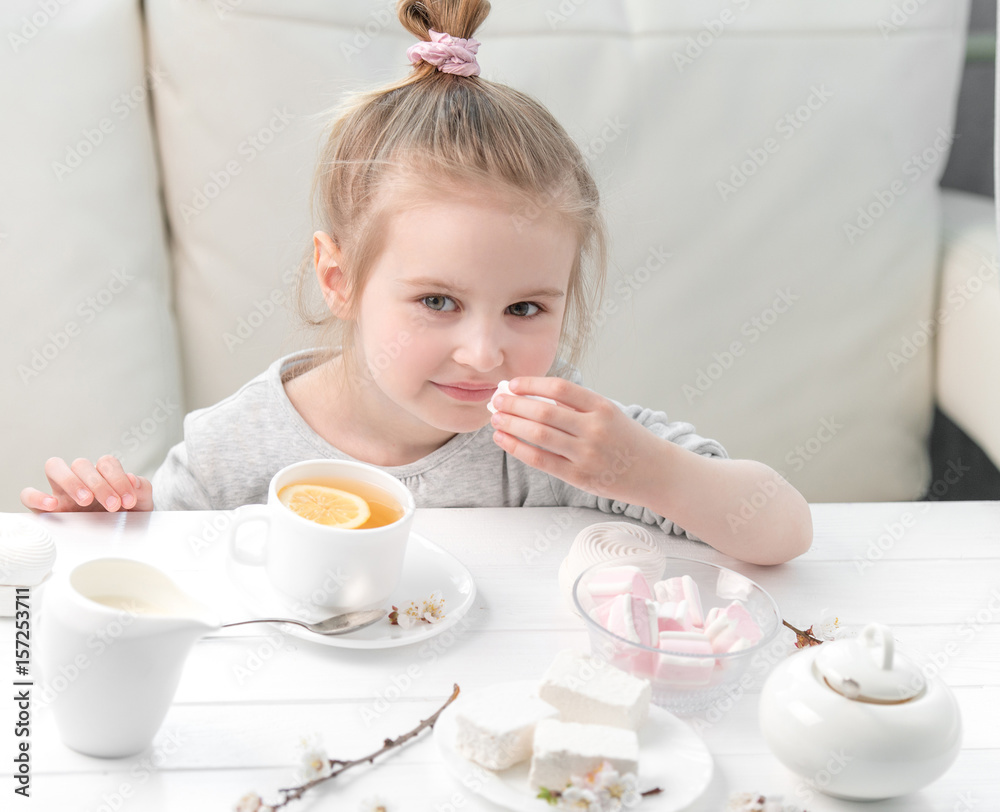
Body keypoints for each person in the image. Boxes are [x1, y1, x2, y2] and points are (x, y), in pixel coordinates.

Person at [20, 0, 812, 565]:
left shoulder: (556, 439)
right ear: (340, 280)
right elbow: (160, 576)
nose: (484, 354)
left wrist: (644, 469)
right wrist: (119, 528)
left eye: (526, 307)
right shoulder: (233, 449)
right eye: (438, 302)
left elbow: (783, 532)